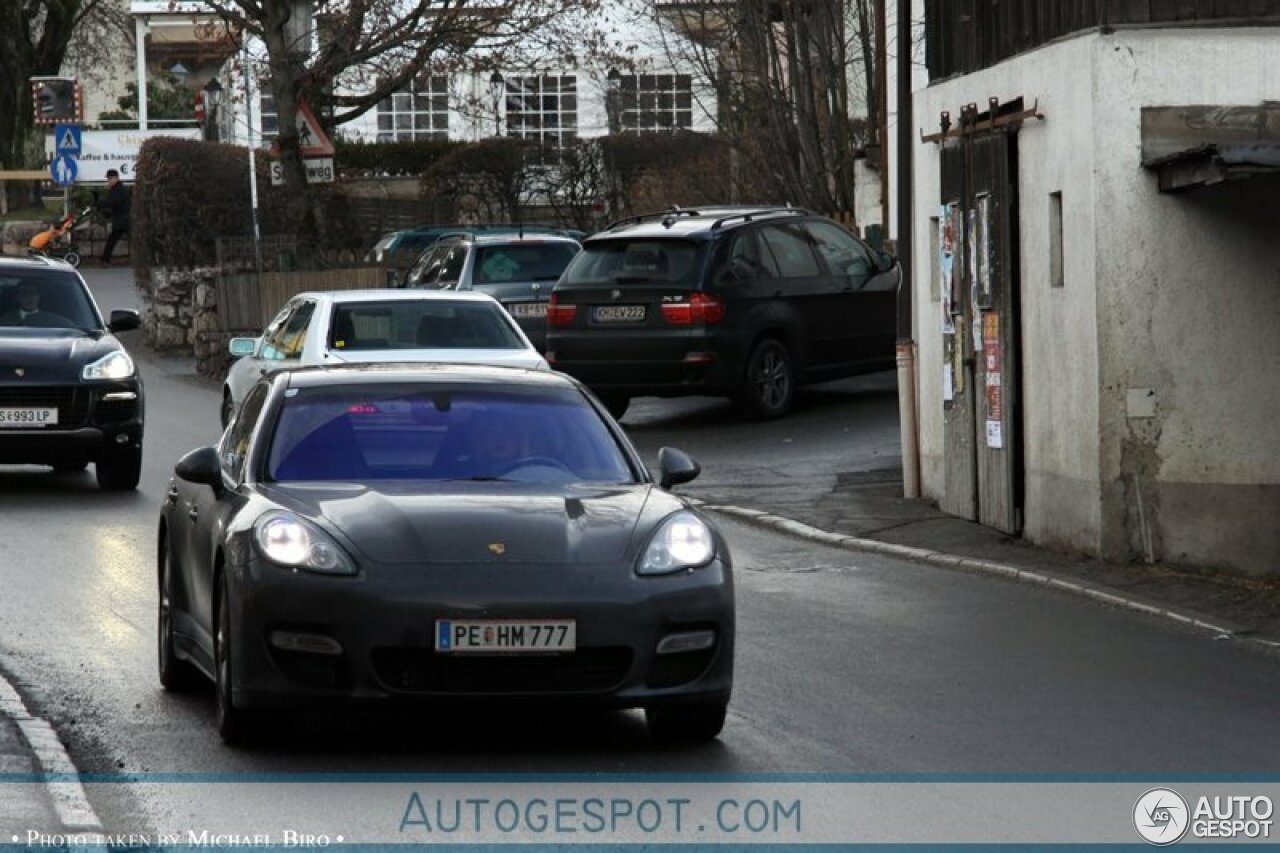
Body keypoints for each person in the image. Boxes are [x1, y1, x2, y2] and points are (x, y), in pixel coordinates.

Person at [95, 169, 131, 265]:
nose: (108, 181)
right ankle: (104, 260)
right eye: (108, 179)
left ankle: (104, 260)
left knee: (113, 240)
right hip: (122, 220)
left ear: (116, 178)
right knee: (112, 240)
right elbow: (111, 203)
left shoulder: (120, 189)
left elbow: (113, 202)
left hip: (124, 220)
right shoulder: (116, 189)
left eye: (110, 179)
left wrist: (99, 203)